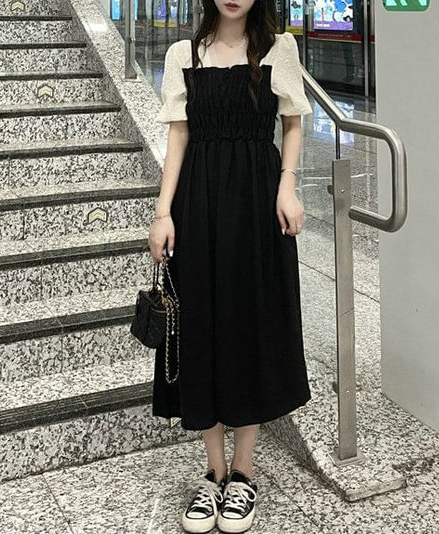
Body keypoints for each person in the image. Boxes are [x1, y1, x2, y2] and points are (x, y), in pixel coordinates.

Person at [149, 0, 313, 531]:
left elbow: (292, 124)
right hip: (198, 202)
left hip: (257, 199)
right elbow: (178, 135)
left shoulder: (278, 49)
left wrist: (287, 187)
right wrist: (163, 213)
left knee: (249, 323)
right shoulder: (184, 54)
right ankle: (213, 472)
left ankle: (243, 473)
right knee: (201, 324)